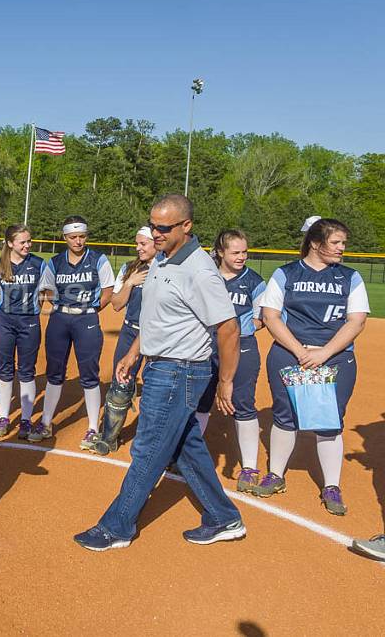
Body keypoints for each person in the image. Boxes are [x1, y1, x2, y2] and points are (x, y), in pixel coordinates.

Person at [74, 194, 246, 551]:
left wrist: (226, 383)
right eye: (152, 225)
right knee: (185, 445)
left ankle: (117, 526)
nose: (155, 233)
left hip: (179, 371)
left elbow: (229, 328)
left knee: (149, 448)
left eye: (163, 227)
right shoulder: (163, 261)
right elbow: (157, 317)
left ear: (187, 226)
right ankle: (223, 517)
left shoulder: (199, 270)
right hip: (159, 364)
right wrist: (135, 352)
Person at [251, 218, 368, 516]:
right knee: (284, 415)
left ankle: (331, 485)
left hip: (335, 357)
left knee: (329, 420)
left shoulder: (350, 277)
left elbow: (356, 321)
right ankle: (276, 475)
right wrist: (299, 350)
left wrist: (324, 352)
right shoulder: (286, 273)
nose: (343, 248)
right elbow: (271, 315)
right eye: (336, 242)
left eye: (344, 243)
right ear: (316, 243)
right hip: (290, 353)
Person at [195, 230, 267, 494]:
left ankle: (249, 467)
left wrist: (241, 331)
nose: (241, 257)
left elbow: (263, 318)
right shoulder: (206, 279)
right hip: (204, 345)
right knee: (200, 401)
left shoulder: (254, 281)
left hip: (242, 346)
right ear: (221, 252)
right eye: (235, 252)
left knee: (244, 403)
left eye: (244, 252)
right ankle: (189, 456)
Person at [37, 216, 114, 448]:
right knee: (54, 370)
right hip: (60, 318)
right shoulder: (55, 262)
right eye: (73, 237)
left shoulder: (98, 260)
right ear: (65, 238)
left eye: (81, 236)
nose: (78, 241)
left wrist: (90, 309)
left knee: (89, 372)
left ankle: (92, 427)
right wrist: (62, 305)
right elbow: (48, 290)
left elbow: (108, 290)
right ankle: (46, 422)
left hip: (86, 318)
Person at [94, 227, 156, 455]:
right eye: (137, 244)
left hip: (159, 336)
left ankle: (152, 441)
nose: (138, 248)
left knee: (154, 389)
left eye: (143, 244)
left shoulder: (168, 268)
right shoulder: (130, 268)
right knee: (121, 383)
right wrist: (130, 282)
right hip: (131, 330)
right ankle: (109, 436)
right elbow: (117, 304)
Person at [0, 224, 46, 438]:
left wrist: (31, 311)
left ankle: (25, 419)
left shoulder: (39, 264)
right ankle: (4, 416)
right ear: (10, 243)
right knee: (4, 369)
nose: (27, 245)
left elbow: (42, 293)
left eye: (29, 241)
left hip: (29, 321)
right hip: (5, 321)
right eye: (22, 242)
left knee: (26, 370)